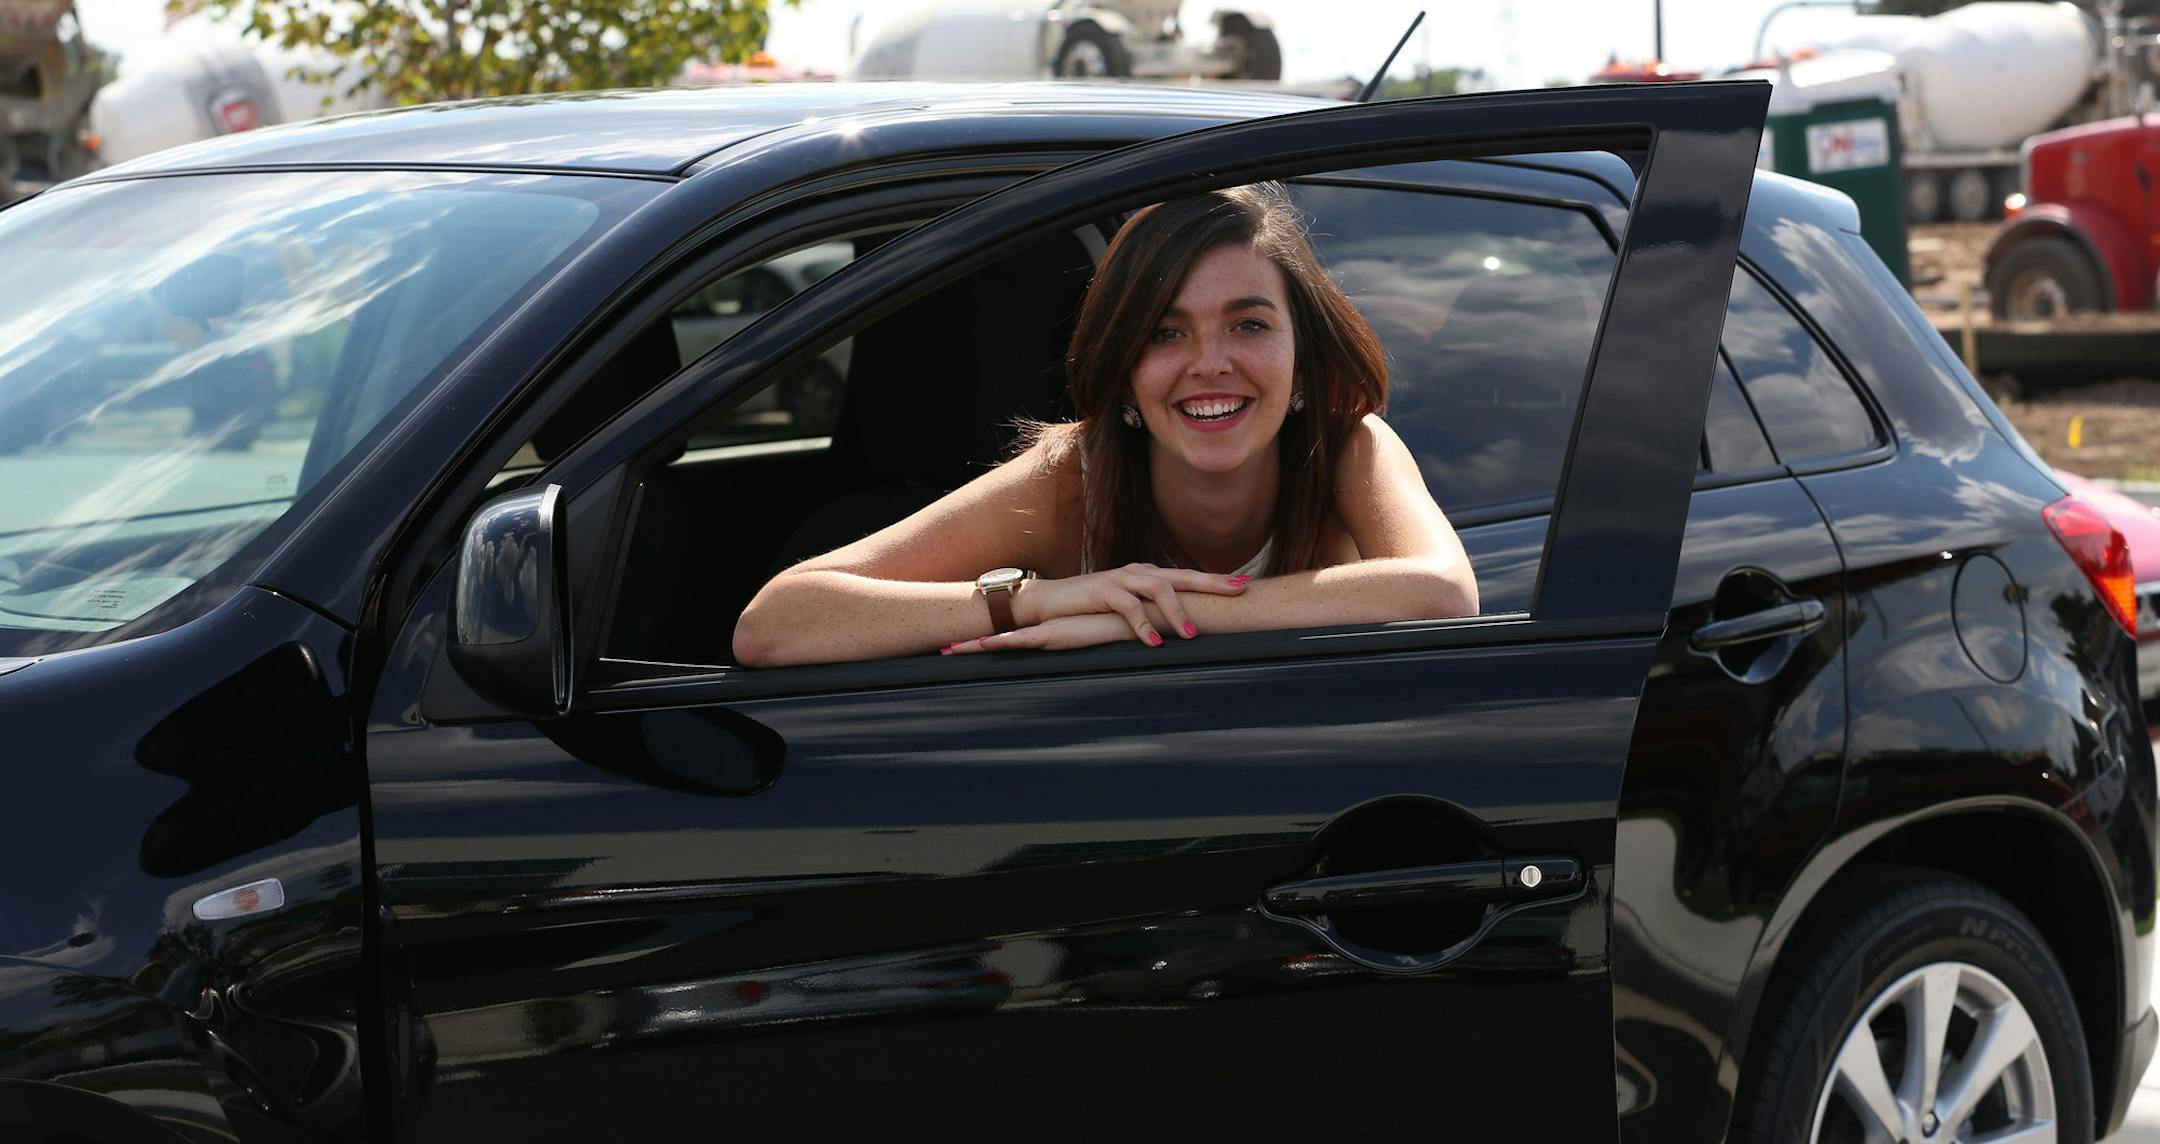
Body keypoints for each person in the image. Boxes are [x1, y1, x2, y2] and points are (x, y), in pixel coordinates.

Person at [731, 182, 1477, 668]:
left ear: (1304, 361)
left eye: (1248, 325)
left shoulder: (1347, 447)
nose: (1210, 363)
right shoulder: (1072, 476)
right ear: (1121, 374)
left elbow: (1443, 594)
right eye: (1165, 333)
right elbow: (775, 624)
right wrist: (1040, 600)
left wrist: (1146, 616)